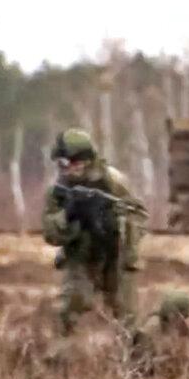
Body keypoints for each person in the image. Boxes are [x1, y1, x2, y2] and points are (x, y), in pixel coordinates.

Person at [42, 128, 148, 348]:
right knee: (68, 312)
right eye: (62, 164)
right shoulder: (59, 191)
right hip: (80, 255)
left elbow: (139, 216)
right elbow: (51, 234)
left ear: (86, 161)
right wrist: (69, 215)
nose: (67, 169)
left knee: (128, 317)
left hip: (116, 254)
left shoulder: (113, 181)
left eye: (72, 163)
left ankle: (138, 366)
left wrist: (113, 221)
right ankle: (58, 365)